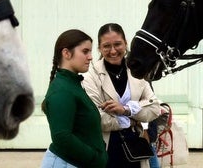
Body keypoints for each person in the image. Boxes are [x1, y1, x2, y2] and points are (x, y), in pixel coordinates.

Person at [83, 23, 162, 168]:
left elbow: (155, 108)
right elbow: (96, 118)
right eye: (106, 46)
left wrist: (125, 109)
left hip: (136, 150)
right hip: (106, 150)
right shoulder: (91, 76)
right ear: (99, 48)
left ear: (126, 43)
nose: (113, 51)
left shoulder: (138, 71)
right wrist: (132, 120)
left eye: (118, 44)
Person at [41, 29, 107, 168]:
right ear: (66, 53)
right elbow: (62, 137)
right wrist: (95, 157)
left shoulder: (73, 84)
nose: (90, 57)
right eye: (85, 51)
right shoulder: (62, 90)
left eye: (90, 52)